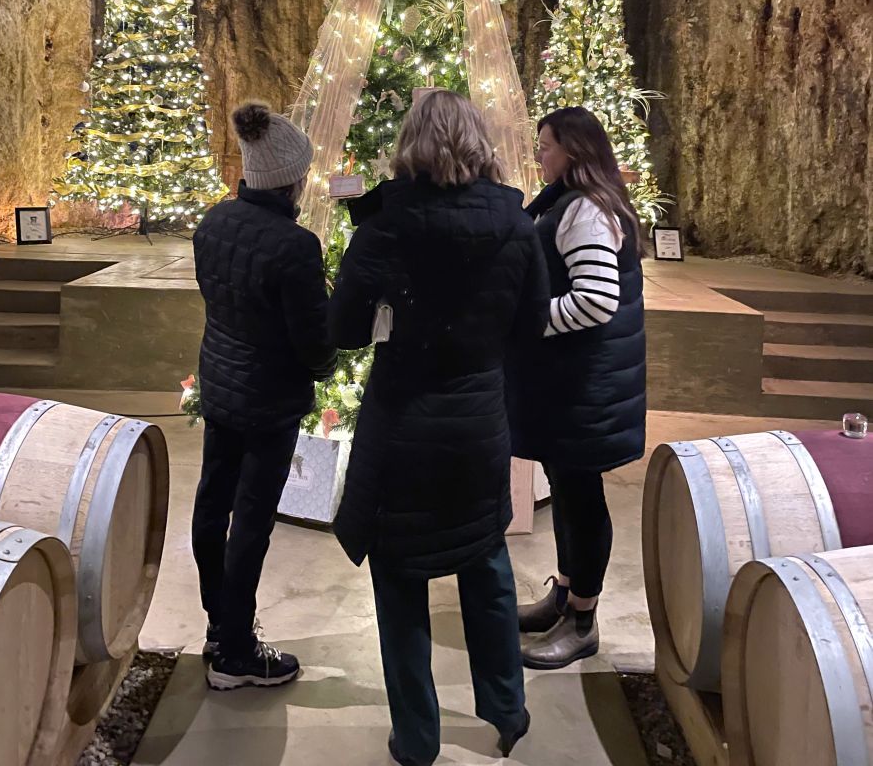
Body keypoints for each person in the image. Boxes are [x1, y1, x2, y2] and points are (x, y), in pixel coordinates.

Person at [329, 91, 550, 766]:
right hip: (480, 418)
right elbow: (534, 320)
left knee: (399, 581)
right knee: (486, 563)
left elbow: (342, 330)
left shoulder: (386, 228)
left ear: (410, 146)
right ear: (477, 143)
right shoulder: (517, 226)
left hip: (404, 423)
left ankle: (418, 739)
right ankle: (508, 710)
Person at [191, 101, 336, 690]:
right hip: (270, 401)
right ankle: (236, 651)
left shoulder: (213, 225)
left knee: (212, 501)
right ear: (291, 178)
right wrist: (327, 364)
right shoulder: (295, 247)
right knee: (252, 517)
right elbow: (313, 339)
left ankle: (216, 624)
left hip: (221, 386)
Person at [509, 106, 646, 670]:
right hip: (577, 381)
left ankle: (583, 621)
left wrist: (527, 320)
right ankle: (564, 594)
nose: (539, 155)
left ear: (573, 150)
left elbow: (594, 300)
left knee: (582, 499)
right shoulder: (573, 201)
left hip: (586, 384)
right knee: (568, 490)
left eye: (546, 146)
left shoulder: (585, 211)